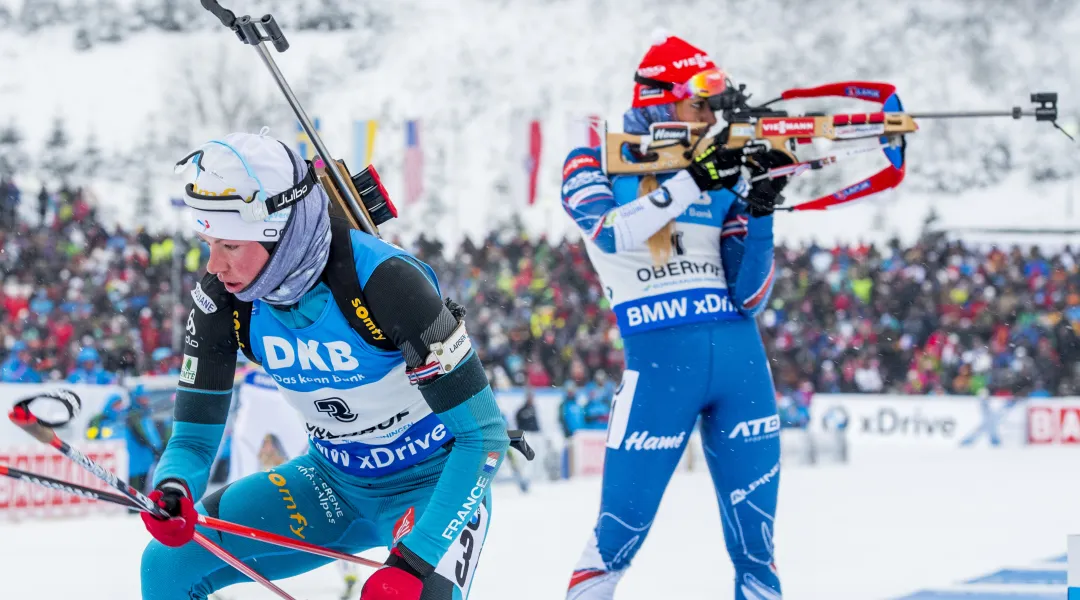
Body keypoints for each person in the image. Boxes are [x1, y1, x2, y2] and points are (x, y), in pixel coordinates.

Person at [139, 131, 509, 600]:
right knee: (170, 566)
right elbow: (191, 440)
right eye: (209, 242)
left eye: (230, 246)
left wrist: (416, 558)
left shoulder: (389, 284)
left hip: (434, 486)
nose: (214, 265)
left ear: (278, 232)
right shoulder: (225, 303)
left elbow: (484, 436)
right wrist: (174, 488)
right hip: (331, 485)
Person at [560, 34, 791, 600]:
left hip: (743, 368)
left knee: (758, 554)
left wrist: (759, 209)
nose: (711, 116)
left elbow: (751, 296)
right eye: (700, 102)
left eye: (716, 104)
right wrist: (695, 181)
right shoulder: (593, 156)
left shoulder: (720, 169)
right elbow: (611, 233)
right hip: (660, 372)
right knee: (614, 542)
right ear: (660, 101)